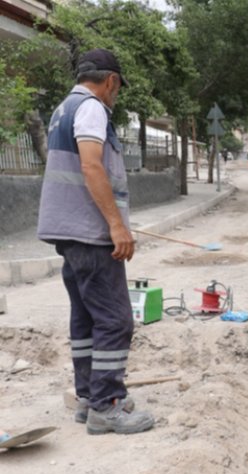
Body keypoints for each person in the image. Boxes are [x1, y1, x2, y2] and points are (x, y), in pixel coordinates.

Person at [36, 49, 154, 435]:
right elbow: (90, 166)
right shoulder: (91, 109)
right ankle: (107, 405)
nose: (115, 95)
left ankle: (90, 397)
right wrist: (117, 227)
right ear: (111, 81)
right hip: (89, 232)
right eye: (117, 89)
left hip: (69, 230)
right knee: (115, 319)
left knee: (86, 318)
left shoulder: (63, 108)